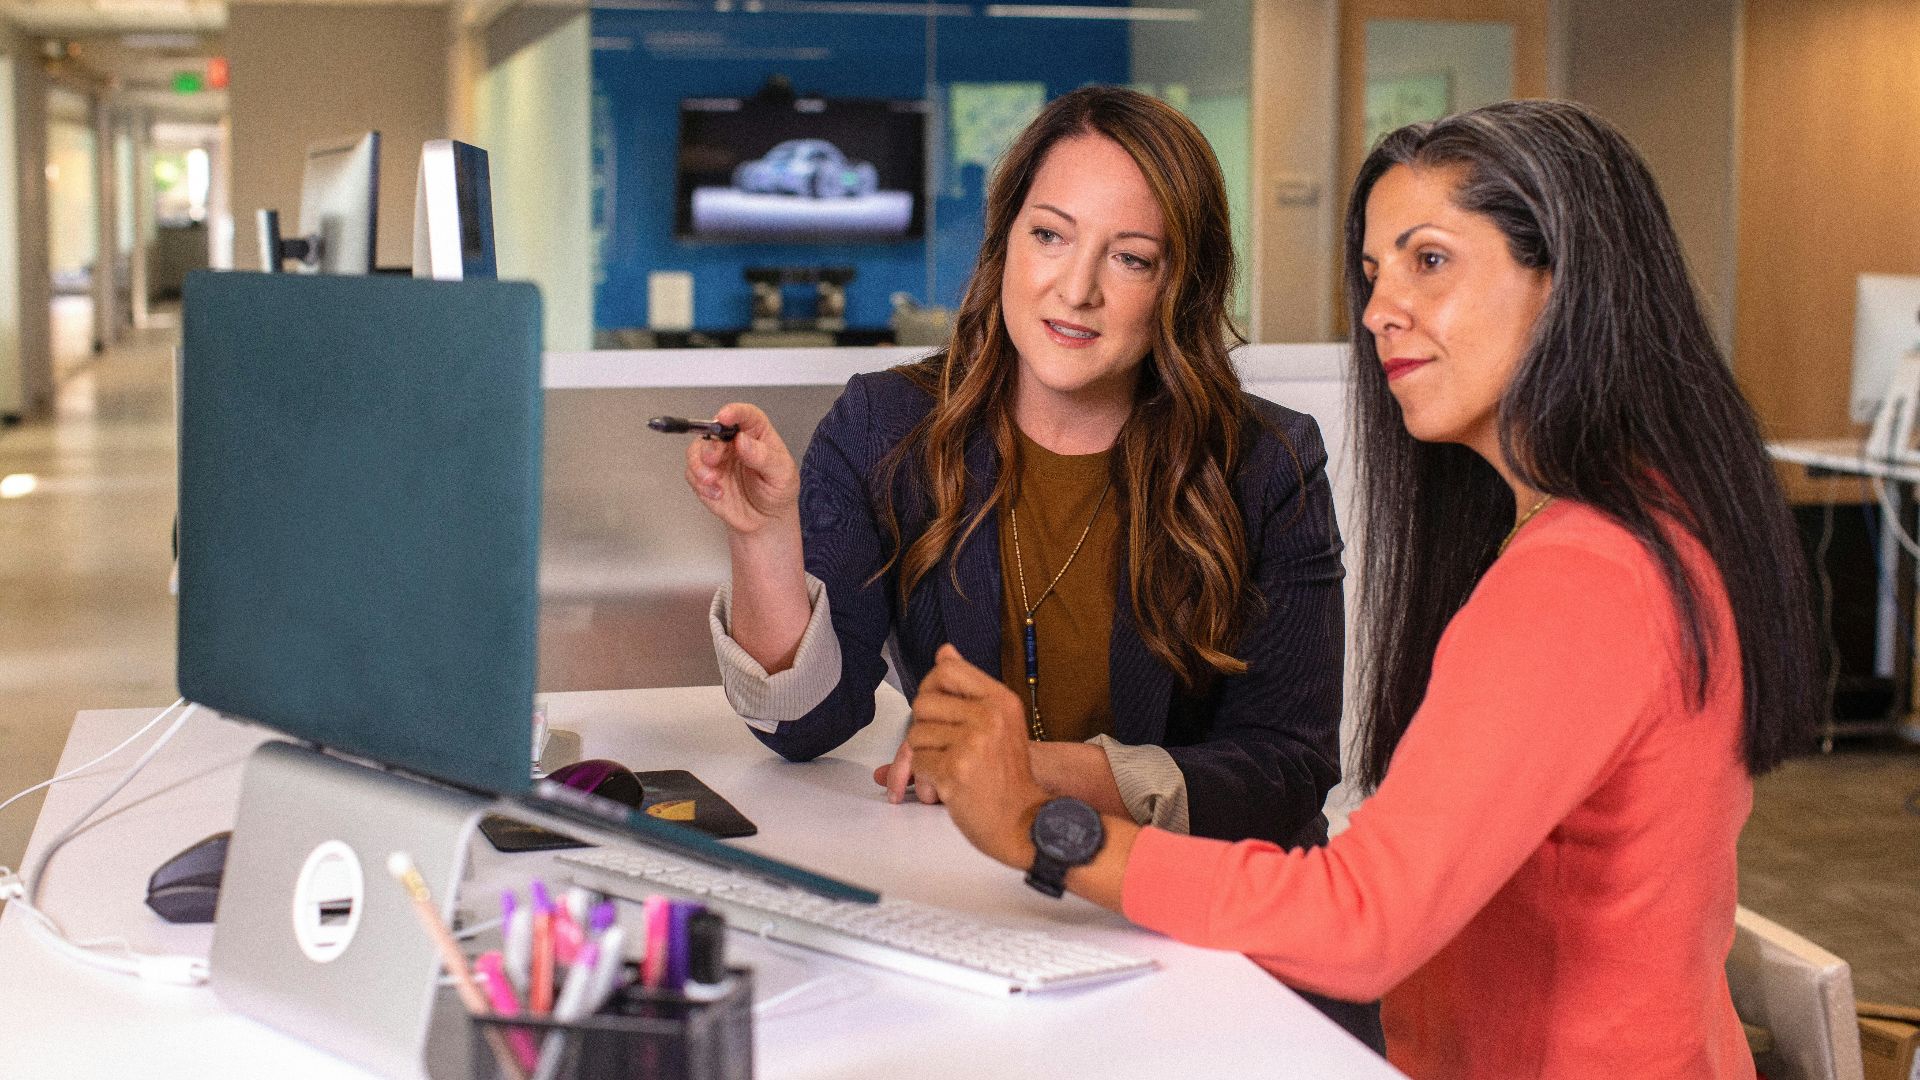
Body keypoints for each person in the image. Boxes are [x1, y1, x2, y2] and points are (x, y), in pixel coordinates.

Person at [903, 99, 1819, 1079]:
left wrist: (1043, 831)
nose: (1381, 307)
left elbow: (1362, 922)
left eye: (1429, 261)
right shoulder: (1655, 518)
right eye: (1375, 273)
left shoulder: (1583, 577)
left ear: (1568, 282)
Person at [679, 86, 1378, 1044]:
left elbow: (1288, 771)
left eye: (1129, 259)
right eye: (1050, 236)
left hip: (1201, 937)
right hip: (988, 923)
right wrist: (761, 535)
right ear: (1006, 240)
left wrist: (1029, 778)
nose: (1075, 289)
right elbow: (807, 725)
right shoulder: (887, 426)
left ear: (1182, 285)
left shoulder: (1265, 460)